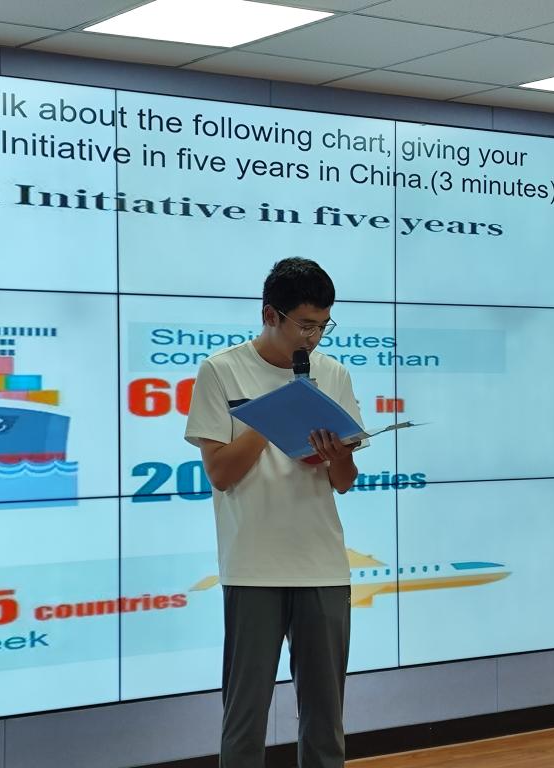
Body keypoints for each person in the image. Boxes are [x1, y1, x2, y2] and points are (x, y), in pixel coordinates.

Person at [184, 257, 365, 768]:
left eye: (323, 326)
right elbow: (221, 473)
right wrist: (276, 414)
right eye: (304, 325)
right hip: (253, 565)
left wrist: (339, 456)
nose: (314, 338)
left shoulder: (333, 373)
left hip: (321, 564)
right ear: (270, 314)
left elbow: (344, 481)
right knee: (244, 719)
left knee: (325, 720)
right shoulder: (221, 370)